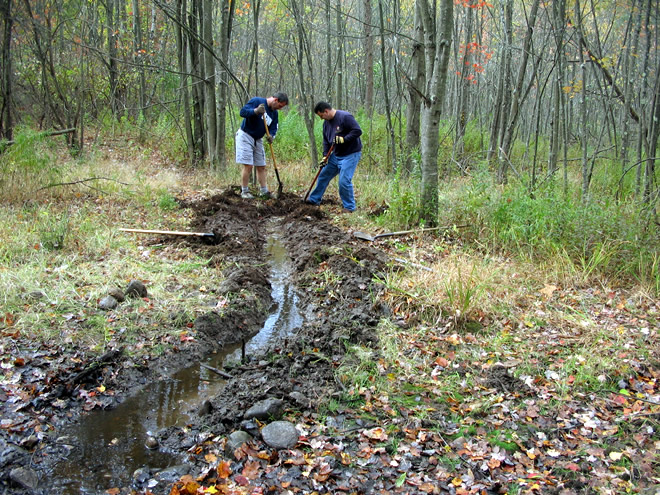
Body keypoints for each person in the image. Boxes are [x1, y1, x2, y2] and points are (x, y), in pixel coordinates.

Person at [306, 101, 362, 212]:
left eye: (321, 115)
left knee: (344, 181)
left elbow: (357, 131)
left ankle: (349, 207)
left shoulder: (345, 117)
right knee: (323, 175)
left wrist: (344, 139)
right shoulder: (326, 124)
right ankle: (314, 199)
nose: (321, 118)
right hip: (336, 155)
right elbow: (326, 141)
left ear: (326, 111)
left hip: (350, 155)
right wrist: (325, 156)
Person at [236, 92, 289, 199]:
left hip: (258, 139)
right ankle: (244, 191)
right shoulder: (257, 101)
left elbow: (274, 127)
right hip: (245, 136)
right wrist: (255, 111)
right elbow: (242, 112)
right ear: (275, 100)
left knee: (261, 166)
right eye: (280, 106)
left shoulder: (274, 113)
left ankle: (264, 191)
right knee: (248, 165)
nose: (280, 109)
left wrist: (271, 136)